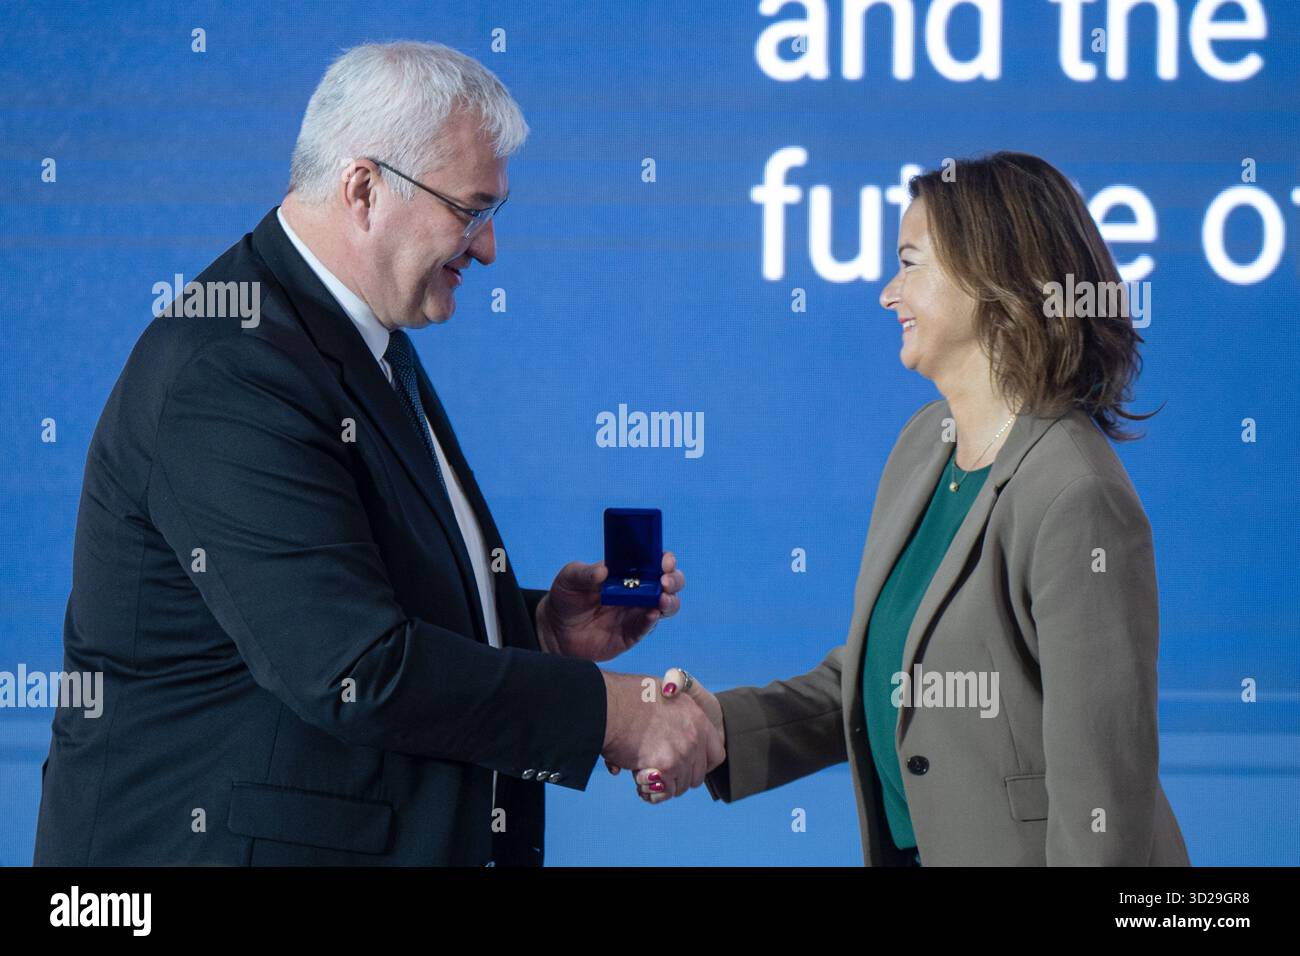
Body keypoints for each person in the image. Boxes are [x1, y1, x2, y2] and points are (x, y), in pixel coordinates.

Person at [33, 40, 721, 867]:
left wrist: (535, 630)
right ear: (363, 189)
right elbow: (353, 666)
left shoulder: (354, 335)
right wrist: (614, 711)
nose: (490, 248)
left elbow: (357, 594)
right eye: (471, 211)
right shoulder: (230, 368)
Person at [618, 152, 1191, 867]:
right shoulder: (926, 444)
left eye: (910, 263)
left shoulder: (1077, 497)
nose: (888, 293)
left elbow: (1103, 804)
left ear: (993, 279)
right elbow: (885, 675)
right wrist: (722, 727)